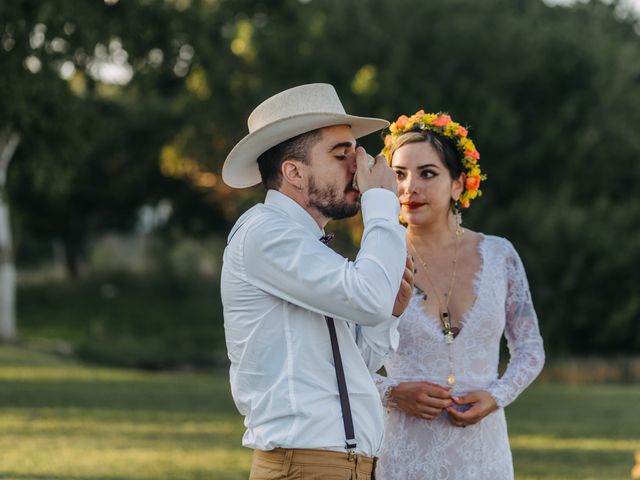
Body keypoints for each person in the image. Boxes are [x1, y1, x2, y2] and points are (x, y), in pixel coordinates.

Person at [220, 83, 414, 479]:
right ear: (293, 171)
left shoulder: (307, 245)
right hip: (306, 465)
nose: (358, 164)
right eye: (341, 154)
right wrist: (380, 202)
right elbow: (368, 297)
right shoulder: (264, 233)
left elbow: (352, 365)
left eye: (356, 152)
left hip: (340, 466)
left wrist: (387, 314)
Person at [374, 110, 545, 479]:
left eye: (427, 173)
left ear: (458, 183)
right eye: (399, 175)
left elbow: (530, 349)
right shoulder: (376, 261)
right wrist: (393, 391)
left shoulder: (500, 256)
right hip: (404, 456)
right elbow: (343, 360)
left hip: (485, 456)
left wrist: (497, 395)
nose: (409, 188)